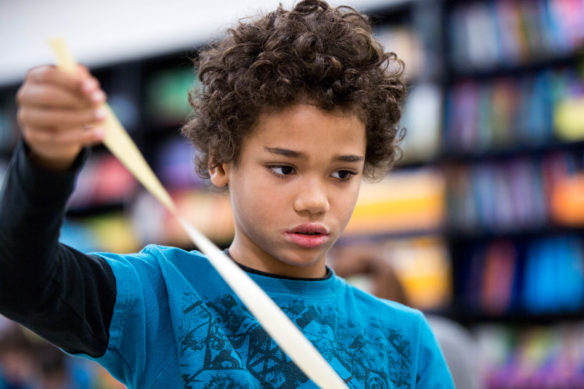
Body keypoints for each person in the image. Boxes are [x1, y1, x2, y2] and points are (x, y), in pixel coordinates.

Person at [0, 1, 454, 387]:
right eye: (284, 168)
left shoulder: (405, 341)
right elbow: (19, 282)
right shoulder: (158, 294)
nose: (316, 200)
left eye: (341, 174)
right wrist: (45, 162)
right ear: (220, 160)